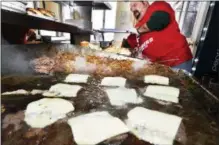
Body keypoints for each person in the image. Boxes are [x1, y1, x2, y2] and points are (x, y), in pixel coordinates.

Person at [122, 1, 193, 72]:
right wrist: (127, 46)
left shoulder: (157, 6)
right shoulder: (138, 26)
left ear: (145, 3)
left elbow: (159, 20)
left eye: (134, 5)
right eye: (131, 9)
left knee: (180, 82)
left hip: (178, 61)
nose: (133, 9)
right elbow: (129, 44)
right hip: (159, 68)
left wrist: (138, 30)